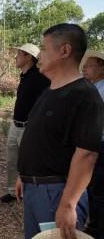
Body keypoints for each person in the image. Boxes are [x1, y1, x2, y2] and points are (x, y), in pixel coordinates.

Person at [15, 23, 104, 239]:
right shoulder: (50, 90)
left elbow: (86, 154)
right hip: (35, 187)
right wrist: (24, 175)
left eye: (44, 49)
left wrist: (68, 204)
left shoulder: (85, 95)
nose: (40, 54)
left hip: (57, 192)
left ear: (64, 50)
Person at [0, 44, 50, 203]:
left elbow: (45, 105)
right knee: (12, 160)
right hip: (16, 125)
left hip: (30, 128)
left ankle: (29, 195)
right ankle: (13, 192)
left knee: (29, 163)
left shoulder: (41, 78)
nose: (15, 57)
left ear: (29, 57)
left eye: (19, 54)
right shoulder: (24, 75)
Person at [81, 50, 104, 239]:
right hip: (91, 143)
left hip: (99, 145)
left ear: (101, 67)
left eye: (89, 66)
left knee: (98, 188)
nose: (84, 70)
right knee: (91, 186)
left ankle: (97, 229)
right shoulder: (93, 87)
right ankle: (94, 223)